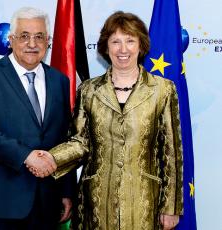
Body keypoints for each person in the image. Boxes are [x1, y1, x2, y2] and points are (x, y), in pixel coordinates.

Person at [28, 11, 184, 230]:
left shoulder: (163, 90)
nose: (123, 49)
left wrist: (171, 207)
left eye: (130, 41)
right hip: (97, 202)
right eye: (115, 41)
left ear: (141, 45)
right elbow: (80, 142)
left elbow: (171, 152)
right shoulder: (89, 90)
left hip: (145, 203)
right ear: (106, 47)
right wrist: (51, 158)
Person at [0, 7, 76, 230]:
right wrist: (26, 156)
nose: (32, 43)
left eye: (39, 36)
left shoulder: (60, 81)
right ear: (11, 39)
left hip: (46, 204)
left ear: (49, 41)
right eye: (24, 36)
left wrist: (66, 191)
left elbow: (65, 137)